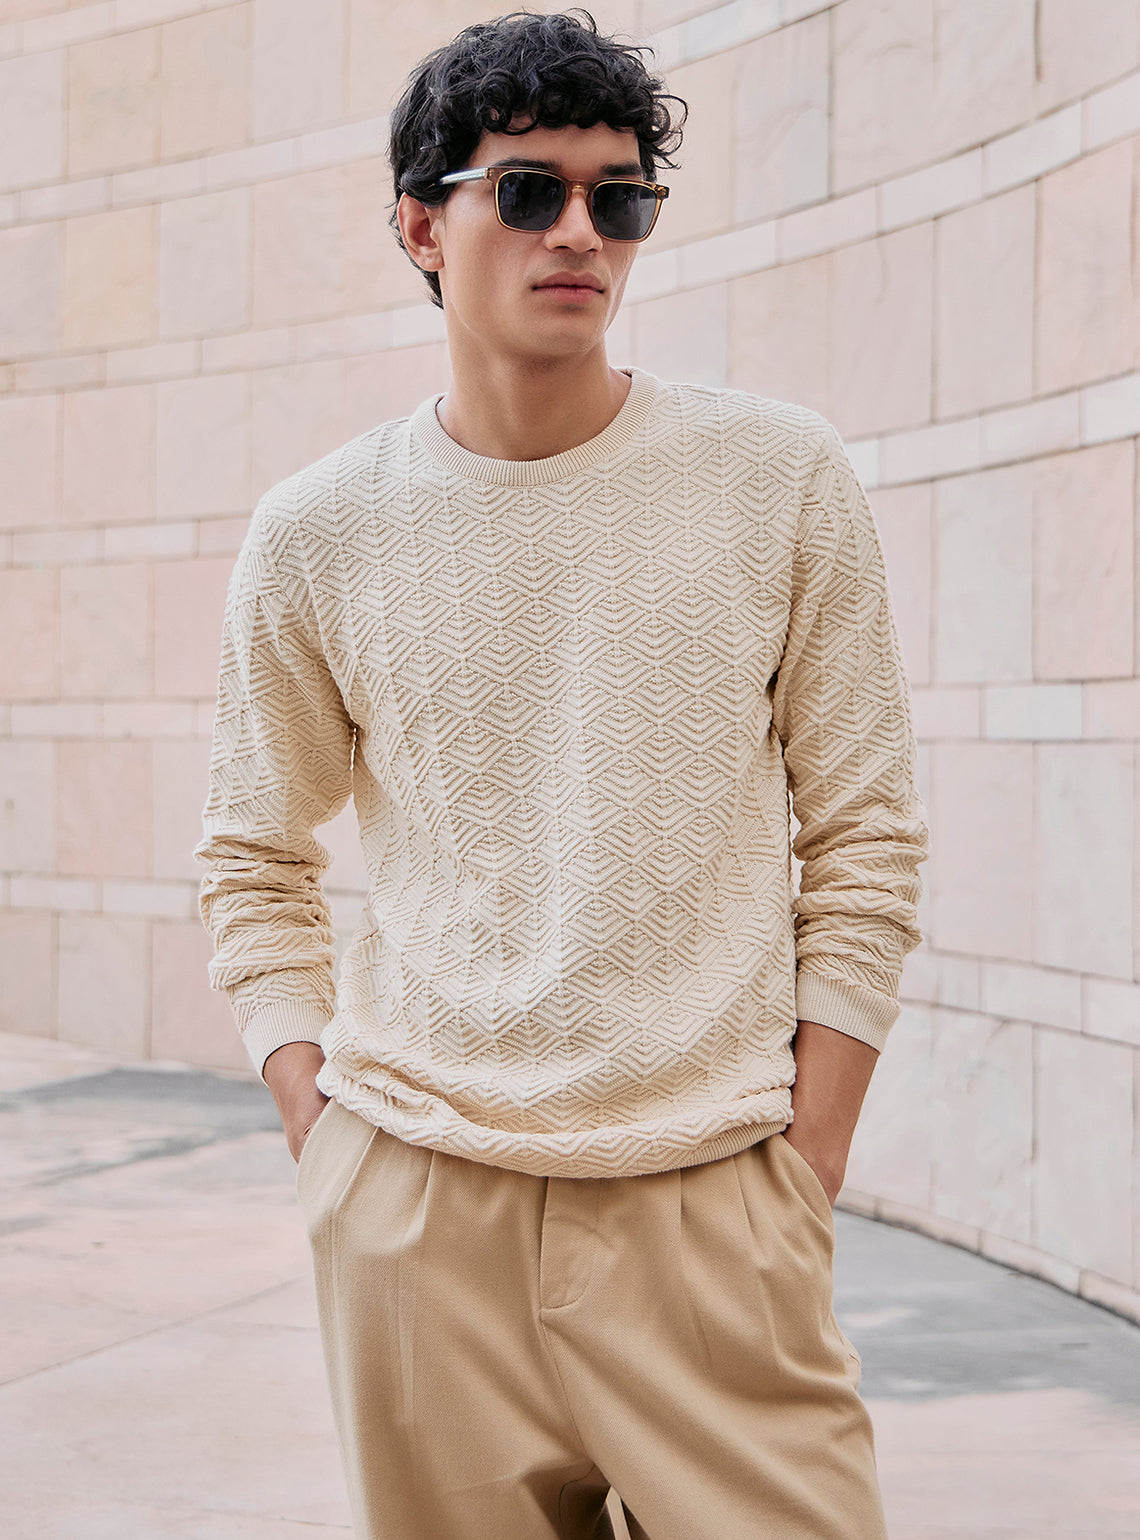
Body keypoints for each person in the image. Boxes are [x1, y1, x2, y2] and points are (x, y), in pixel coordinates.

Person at [196, 9, 930, 1538]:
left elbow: (864, 836)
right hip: (417, 1215)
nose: (581, 233)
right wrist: (323, 1131)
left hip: (711, 1208)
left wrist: (808, 1158)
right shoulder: (319, 531)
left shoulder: (777, 478)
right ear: (423, 225)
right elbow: (253, 854)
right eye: (529, 191)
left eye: (621, 197)